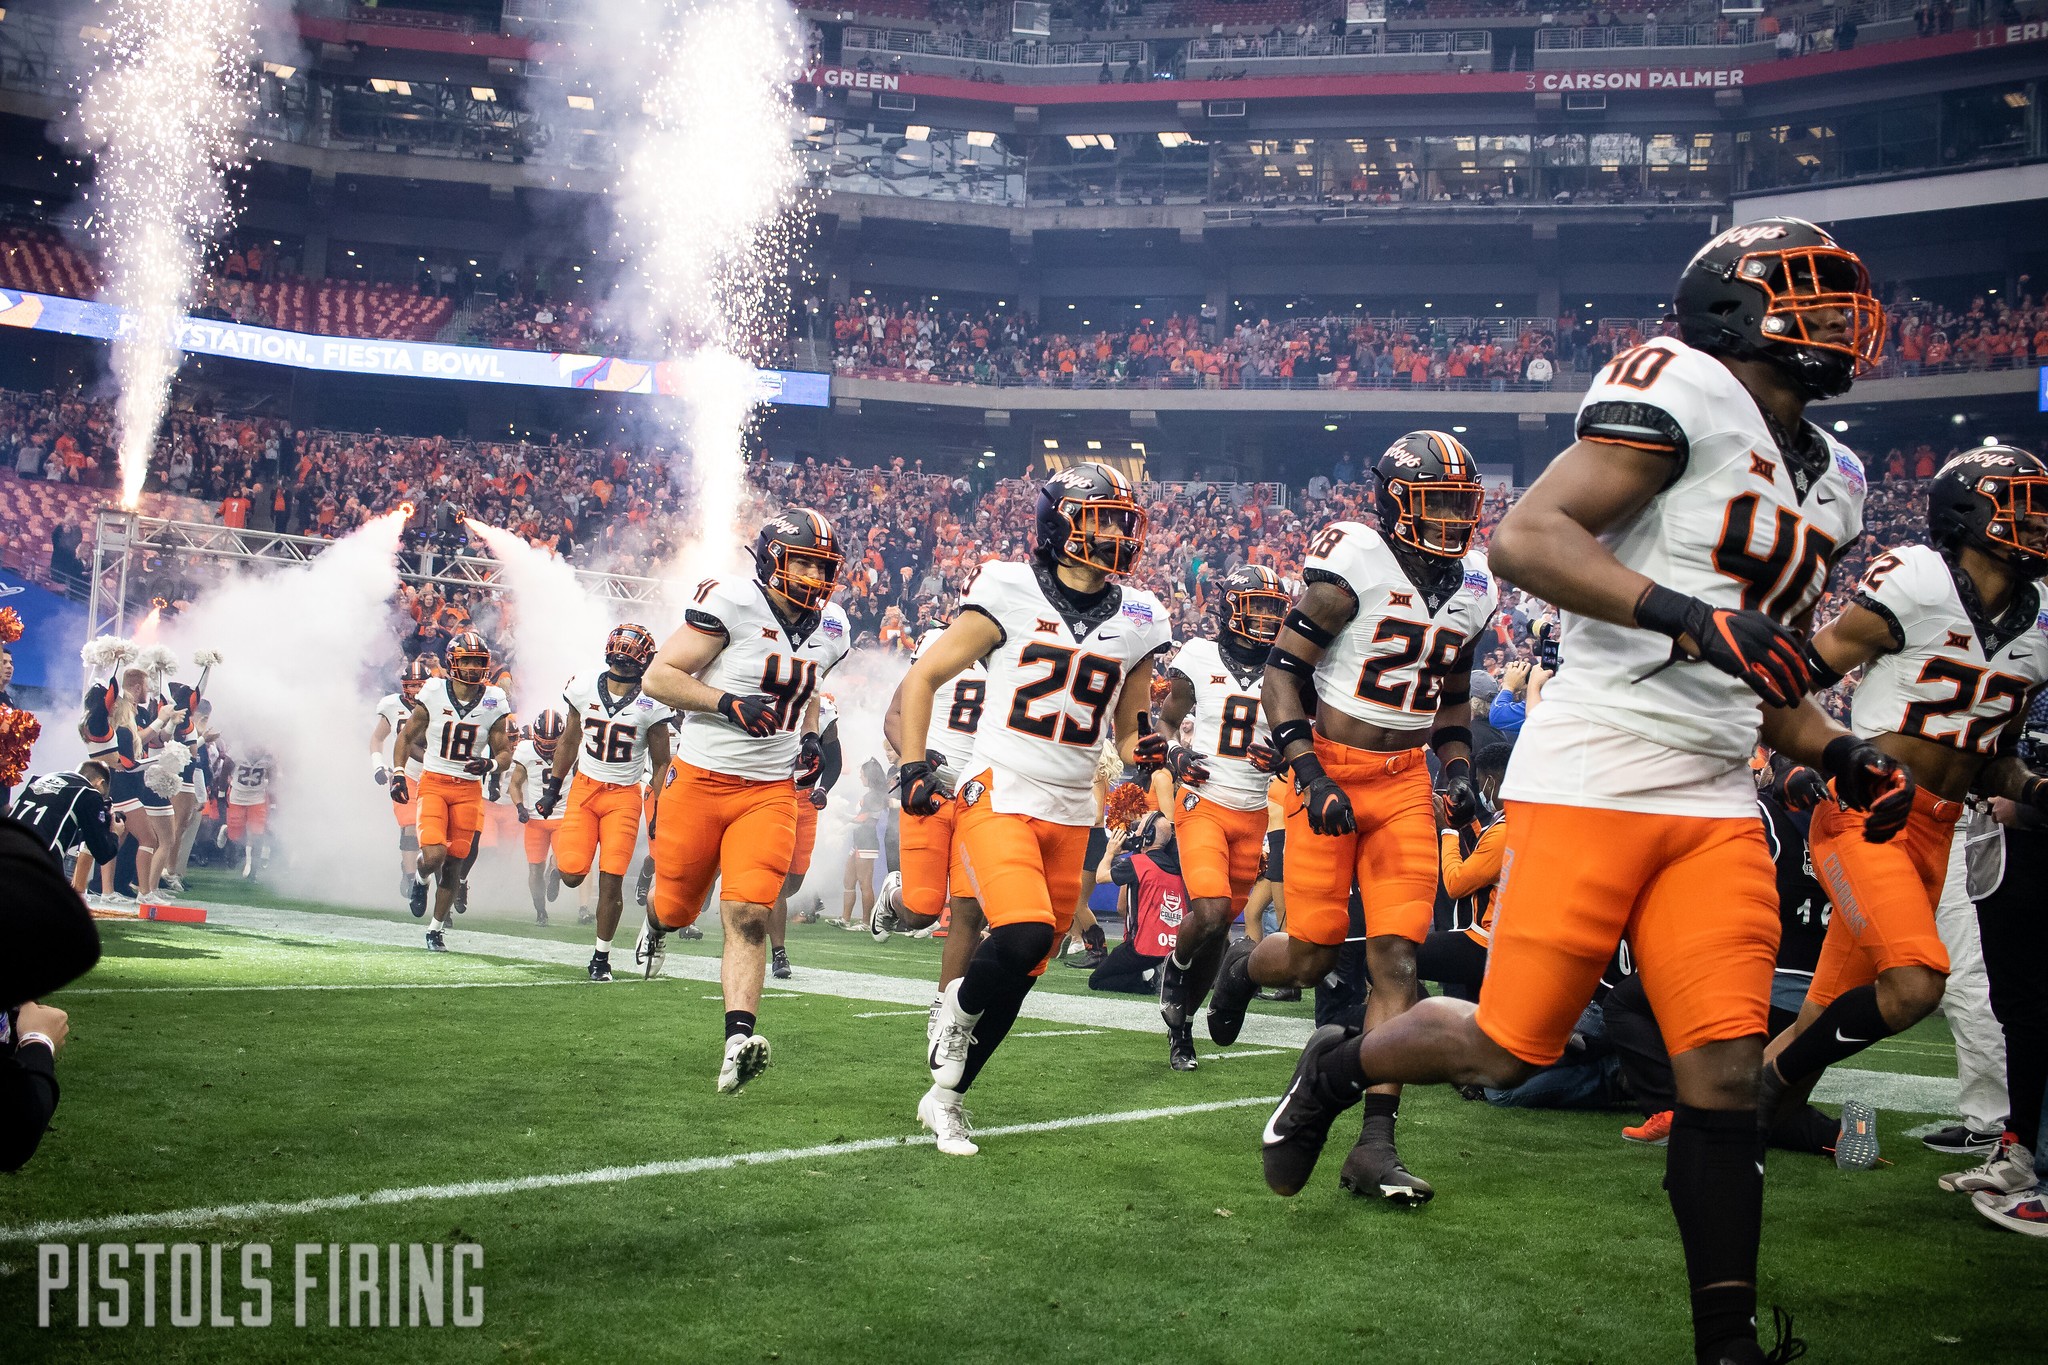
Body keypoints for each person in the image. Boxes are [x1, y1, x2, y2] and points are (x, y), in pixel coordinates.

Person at [1255, 218, 1911, 1365]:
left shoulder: (1836, 480)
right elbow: (1525, 538)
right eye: (1800, 296)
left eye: (1833, 297)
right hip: (1596, 768)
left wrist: (1838, 751)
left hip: (1712, 794)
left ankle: (1725, 1344)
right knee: (1510, 1047)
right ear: (1728, 308)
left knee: (1719, 1078)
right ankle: (1336, 1063)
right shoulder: (1682, 387)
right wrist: (1687, 614)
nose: (1828, 318)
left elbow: (1765, 675)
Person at [1221, 429, 1499, 1205]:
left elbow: (1450, 695)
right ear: (1394, 501)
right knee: (1310, 955)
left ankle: (1375, 1142)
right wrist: (1308, 772)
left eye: (1459, 505)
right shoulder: (1353, 567)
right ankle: (1244, 965)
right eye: (1434, 503)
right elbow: (1281, 675)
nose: (1450, 521)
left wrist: (1455, 767)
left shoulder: (1476, 586)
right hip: (1332, 769)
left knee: (1396, 963)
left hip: (1405, 780)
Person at [1762, 446, 2048, 1173]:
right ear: (1967, 512)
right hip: (1868, 810)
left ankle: (1766, 1114)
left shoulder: (2038, 621)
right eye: (2019, 503)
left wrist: (2035, 787)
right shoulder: (1917, 578)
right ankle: (1750, 1091)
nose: (2037, 521)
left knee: (1828, 1007)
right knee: (1917, 982)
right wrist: (1810, 762)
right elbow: (1796, 677)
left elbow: (1992, 756)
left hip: (1941, 826)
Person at [897, 464, 1171, 1157]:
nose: (1115, 532)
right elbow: (925, 674)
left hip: (1072, 804)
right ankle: (954, 1006)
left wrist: (1159, 753)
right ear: (1060, 523)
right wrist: (909, 763)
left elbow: (1132, 724)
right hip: (1002, 788)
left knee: (1029, 965)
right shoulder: (1007, 587)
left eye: (1120, 519)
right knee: (1018, 934)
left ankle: (946, 1099)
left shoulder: (1141, 615)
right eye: (1101, 518)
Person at [639, 510, 851, 1094]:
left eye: (822, 565)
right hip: (701, 781)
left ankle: (737, 1040)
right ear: (772, 559)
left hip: (770, 793)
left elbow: (806, 691)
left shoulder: (833, 627)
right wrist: (727, 703)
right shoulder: (733, 602)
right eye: (804, 560)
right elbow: (658, 678)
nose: (814, 575)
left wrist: (810, 735)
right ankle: (654, 922)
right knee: (679, 908)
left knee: (751, 913)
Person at [1154, 564, 1289, 1070]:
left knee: (1219, 927)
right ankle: (1175, 963)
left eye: (1275, 607)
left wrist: (1282, 759)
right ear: (1230, 606)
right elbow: (1166, 723)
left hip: (1253, 810)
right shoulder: (1200, 656)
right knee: (1208, 911)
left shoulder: (1288, 664)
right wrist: (1174, 756)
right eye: (1257, 605)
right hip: (1203, 801)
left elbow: (1300, 734)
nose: (1267, 616)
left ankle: (1182, 1028)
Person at [536, 623, 673, 982]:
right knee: (572, 874)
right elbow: (569, 740)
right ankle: (558, 865)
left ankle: (601, 957)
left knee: (611, 881)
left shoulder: (653, 699)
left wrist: (661, 808)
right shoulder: (583, 686)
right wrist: (553, 788)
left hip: (624, 797)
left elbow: (662, 764)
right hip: (584, 789)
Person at [879, 624, 988, 1017]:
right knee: (922, 911)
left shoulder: (1013, 651)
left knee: (970, 912)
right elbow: (894, 715)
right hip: (931, 789)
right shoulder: (936, 642)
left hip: (979, 797)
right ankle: (894, 894)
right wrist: (916, 761)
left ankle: (945, 1010)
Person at [391, 631, 513, 951]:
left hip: (469, 789)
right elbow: (405, 738)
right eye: (467, 661)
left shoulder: (493, 699)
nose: (473, 668)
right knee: (434, 855)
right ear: (452, 662)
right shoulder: (433, 691)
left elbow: (504, 753)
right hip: (435, 781)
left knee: (456, 862)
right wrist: (399, 773)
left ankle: (435, 929)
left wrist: (489, 766)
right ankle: (420, 881)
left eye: (478, 662)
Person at [771, 694, 840, 978]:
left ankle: (756, 900)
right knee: (775, 879)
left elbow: (833, 759)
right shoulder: (765, 695)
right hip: (771, 794)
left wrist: (823, 789)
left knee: (794, 881)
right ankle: (779, 953)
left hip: (806, 800)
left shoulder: (823, 708)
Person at [1090, 813, 1184, 994]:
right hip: (1176, 950)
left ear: (1148, 835)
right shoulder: (1178, 868)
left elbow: (1101, 877)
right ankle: (1154, 971)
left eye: (1139, 828)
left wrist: (1110, 852)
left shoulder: (1139, 863)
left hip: (1144, 947)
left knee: (1097, 980)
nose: (1135, 832)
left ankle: (1148, 982)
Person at [370, 658, 434, 900]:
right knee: (409, 826)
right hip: (405, 773)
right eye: (411, 685)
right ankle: (409, 876)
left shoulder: (440, 704)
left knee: (431, 833)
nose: (416, 691)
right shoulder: (392, 705)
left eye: (420, 685)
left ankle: (424, 872)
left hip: (435, 774)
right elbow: (377, 738)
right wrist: (378, 765)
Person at [508, 710, 566, 927]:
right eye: (545, 741)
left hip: (563, 816)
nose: (549, 746)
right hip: (535, 819)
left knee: (563, 862)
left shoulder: (572, 749)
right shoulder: (525, 751)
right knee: (535, 868)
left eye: (554, 742)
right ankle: (540, 910)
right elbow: (514, 784)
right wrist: (520, 806)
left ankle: (555, 873)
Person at [9, 762, 122, 871]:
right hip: (36, 859)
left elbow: (51, 826)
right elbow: (103, 853)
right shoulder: (89, 792)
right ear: (99, 783)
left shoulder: (42, 779)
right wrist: (115, 833)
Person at [221, 747, 274, 879]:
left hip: (257, 799)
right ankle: (226, 831)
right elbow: (224, 771)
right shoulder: (237, 749)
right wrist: (221, 793)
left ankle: (253, 871)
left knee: (257, 833)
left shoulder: (269, 754)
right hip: (237, 798)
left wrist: (273, 801)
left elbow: (273, 779)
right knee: (236, 836)